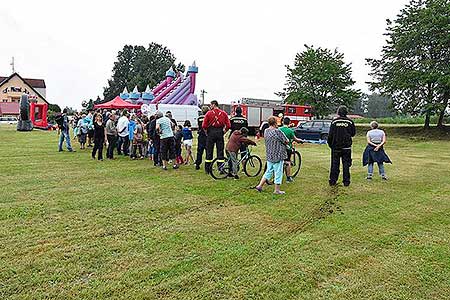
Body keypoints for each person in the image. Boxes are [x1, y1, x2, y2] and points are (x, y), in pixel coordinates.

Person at [255, 116, 288, 194]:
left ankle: (260, 186)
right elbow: (286, 140)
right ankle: (276, 190)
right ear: (275, 123)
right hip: (278, 155)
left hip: (270, 154)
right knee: (278, 172)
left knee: (268, 171)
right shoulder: (277, 131)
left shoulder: (266, 131)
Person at [327, 105, 356, 187]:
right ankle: (346, 182)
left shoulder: (334, 122)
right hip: (346, 147)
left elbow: (330, 135)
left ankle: (333, 181)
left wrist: (330, 144)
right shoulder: (350, 122)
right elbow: (353, 133)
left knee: (334, 165)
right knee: (346, 164)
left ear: (338, 112)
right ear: (346, 112)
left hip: (335, 147)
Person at [202, 100, 231, 174]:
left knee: (209, 151)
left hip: (211, 133)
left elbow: (204, 125)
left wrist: (206, 132)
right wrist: (224, 132)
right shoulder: (224, 113)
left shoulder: (208, 113)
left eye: (211, 105)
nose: (210, 106)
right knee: (220, 152)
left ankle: (208, 169)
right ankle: (221, 168)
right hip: (220, 132)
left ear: (214, 105)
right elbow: (228, 125)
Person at [279, 117, 304, 182]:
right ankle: (288, 177)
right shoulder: (290, 131)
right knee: (288, 161)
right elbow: (295, 139)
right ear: (289, 122)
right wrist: (300, 140)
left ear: (282, 122)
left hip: (278, 148)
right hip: (287, 148)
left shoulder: (279, 129)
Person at [194, 106, 209, 170]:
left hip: (200, 135)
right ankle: (207, 165)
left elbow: (198, 127)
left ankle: (197, 164)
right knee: (208, 151)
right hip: (207, 135)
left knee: (199, 151)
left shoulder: (199, 118)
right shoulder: (208, 117)